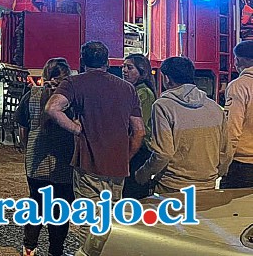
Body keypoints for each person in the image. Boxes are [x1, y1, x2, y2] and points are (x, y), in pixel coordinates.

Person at [45, 41, 145, 244]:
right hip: (118, 166)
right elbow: (139, 131)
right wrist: (126, 157)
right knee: (112, 219)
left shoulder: (74, 83)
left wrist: (76, 129)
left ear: (82, 61)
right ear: (107, 62)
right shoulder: (127, 88)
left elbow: (52, 108)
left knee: (89, 220)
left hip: (88, 163)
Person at [134, 56, 231, 193]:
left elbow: (164, 153)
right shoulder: (214, 107)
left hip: (172, 187)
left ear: (167, 78)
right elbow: (226, 151)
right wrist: (216, 174)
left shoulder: (163, 106)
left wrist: (142, 175)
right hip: (207, 186)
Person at [17, 58, 74, 256]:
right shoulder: (70, 100)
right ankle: (55, 250)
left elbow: (23, 128)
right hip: (64, 164)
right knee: (60, 209)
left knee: (36, 205)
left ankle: (29, 247)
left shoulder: (31, 96)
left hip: (35, 163)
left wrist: (28, 148)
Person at [121, 53, 157, 199]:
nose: (124, 70)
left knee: (133, 194)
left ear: (142, 72)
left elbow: (141, 128)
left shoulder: (143, 93)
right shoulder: (133, 90)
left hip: (139, 149)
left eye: (129, 67)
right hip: (134, 147)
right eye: (123, 66)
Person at [221, 40, 253, 188]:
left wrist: (223, 163)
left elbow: (232, 128)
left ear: (239, 60)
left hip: (243, 165)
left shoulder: (239, 86)